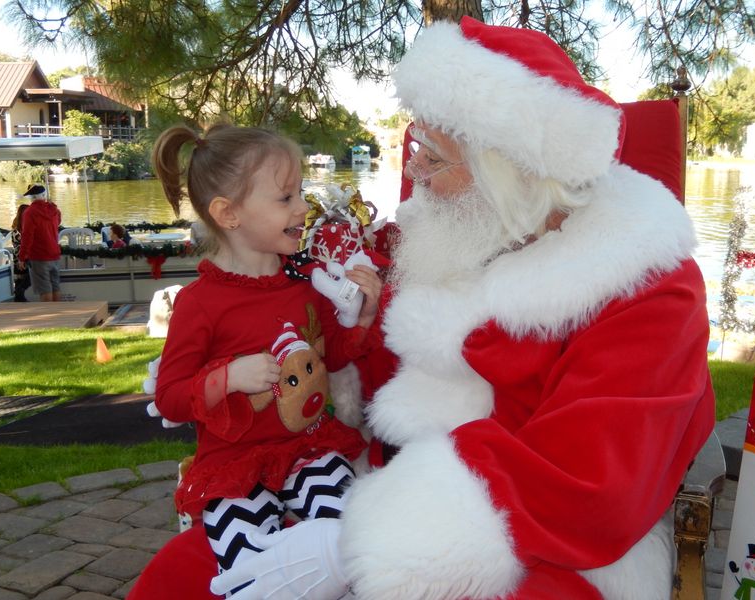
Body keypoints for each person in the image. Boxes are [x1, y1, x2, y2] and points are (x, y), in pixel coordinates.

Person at [206, 17, 715, 600]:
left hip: (548, 550)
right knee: (184, 576)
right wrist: (336, 340)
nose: (413, 175)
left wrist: (357, 546)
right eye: (415, 148)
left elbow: (589, 488)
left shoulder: (648, 287)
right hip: (373, 488)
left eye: (432, 158)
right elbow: (381, 396)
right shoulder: (455, 236)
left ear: (510, 174)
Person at [151, 123, 383, 596]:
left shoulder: (303, 286)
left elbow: (331, 357)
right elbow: (171, 398)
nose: (303, 208)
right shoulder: (200, 304)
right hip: (233, 466)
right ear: (229, 214)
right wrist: (228, 377)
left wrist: (364, 315)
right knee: (252, 573)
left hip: (310, 453)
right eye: (285, 198)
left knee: (361, 536)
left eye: (300, 193)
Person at [18, 184, 62, 302]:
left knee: (45, 289)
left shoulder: (29, 213)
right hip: (55, 254)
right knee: (55, 287)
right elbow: (58, 222)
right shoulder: (55, 210)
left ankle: (48, 317)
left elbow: (27, 236)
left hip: (39, 256)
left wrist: (22, 257)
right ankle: (58, 315)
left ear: (31, 198)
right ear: (44, 195)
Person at [10, 204, 30, 302]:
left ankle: (18, 297)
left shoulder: (16, 227)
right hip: (21, 257)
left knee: (20, 280)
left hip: (18, 257)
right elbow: (23, 244)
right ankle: (19, 295)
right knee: (25, 278)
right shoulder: (19, 230)